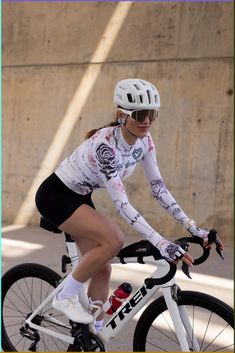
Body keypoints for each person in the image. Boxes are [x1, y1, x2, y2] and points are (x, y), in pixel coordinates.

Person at [35, 78, 223, 329]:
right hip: (56, 196)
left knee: (102, 269)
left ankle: (94, 332)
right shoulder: (105, 146)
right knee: (114, 239)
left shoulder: (144, 141)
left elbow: (158, 189)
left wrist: (194, 228)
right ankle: (64, 295)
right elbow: (122, 204)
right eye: (140, 114)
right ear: (121, 115)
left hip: (80, 196)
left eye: (152, 114)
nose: (147, 120)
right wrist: (161, 242)